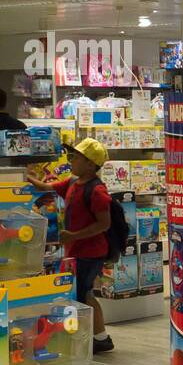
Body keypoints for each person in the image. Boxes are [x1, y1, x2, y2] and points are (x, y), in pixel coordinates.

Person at [25, 138, 114, 353]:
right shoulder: (74, 183)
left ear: (91, 164)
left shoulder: (96, 191)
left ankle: (100, 338)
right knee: (82, 293)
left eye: (77, 158)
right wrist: (25, 176)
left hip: (91, 252)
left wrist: (73, 235)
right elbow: (48, 186)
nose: (71, 161)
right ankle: (96, 336)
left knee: (84, 294)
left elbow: (104, 224)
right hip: (77, 250)